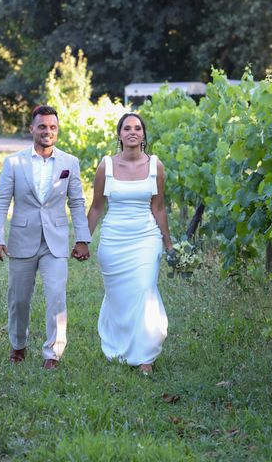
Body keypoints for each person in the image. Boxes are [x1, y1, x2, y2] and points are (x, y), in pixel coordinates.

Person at [0, 105, 91, 370]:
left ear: (58, 130)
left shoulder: (70, 162)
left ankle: (52, 354)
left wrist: (82, 238)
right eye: (42, 126)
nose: (48, 131)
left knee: (56, 295)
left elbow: (77, 203)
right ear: (31, 129)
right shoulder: (14, 162)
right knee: (19, 299)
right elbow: (1, 203)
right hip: (22, 239)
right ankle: (18, 345)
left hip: (55, 241)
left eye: (53, 127)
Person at [85, 113, 173, 375]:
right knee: (120, 298)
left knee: (145, 290)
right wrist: (82, 241)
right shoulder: (106, 166)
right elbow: (96, 208)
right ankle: (121, 347)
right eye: (127, 128)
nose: (132, 132)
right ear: (119, 134)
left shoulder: (156, 166)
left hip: (146, 238)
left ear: (143, 134)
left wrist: (168, 244)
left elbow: (159, 209)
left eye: (137, 128)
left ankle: (145, 356)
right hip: (113, 240)